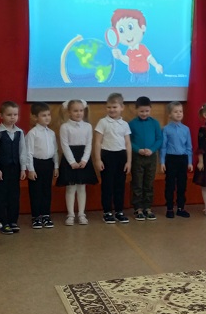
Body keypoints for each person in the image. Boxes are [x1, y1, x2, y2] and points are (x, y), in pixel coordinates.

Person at [0, 101, 28, 235]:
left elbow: (22, 151)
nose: (12, 117)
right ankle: (3, 222)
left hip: (15, 169)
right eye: (9, 114)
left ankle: (12, 221)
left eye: (15, 114)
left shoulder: (19, 132)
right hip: (1, 169)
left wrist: (23, 168)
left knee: (14, 195)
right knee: (0, 196)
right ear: (1, 115)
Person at [57, 100, 98, 226]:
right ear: (69, 112)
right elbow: (64, 145)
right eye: (75, 111)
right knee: (70, 188)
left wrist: (84, 160)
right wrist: (72, 162)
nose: (79, 113)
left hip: (83, 158)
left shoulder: (88, 126)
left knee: (81, 187)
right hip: (70, 158)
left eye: (81, 110)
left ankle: (81, 214)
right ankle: (70, 214)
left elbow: (89, 144)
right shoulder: (65, 127)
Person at [94, 93, 132, 224]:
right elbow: (98, 142)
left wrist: (129, 161)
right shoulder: (103, 122)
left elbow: (128, 143)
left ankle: (119, 211)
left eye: (114, 107)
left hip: (121, 156)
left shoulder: (124, 124)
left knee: (120, 185)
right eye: (109, 107)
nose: (111, 110)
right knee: (107, 185)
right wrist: (98, 159)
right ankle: (107, 212)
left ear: (122, 107)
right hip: (107, 156)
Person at [26, 102, 59, 229]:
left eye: (48, 115)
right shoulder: (32, 133)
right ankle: (36, 216)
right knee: (36, 192)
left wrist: (56, 166)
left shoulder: (51, 133)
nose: (47, 118)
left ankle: (46, 215)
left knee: (46, 191)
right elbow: (28, 152)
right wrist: (31, 169)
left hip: (48, 164)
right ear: (35, 117)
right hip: (36, 165)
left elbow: (55, 151)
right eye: (43, 115)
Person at [129, 96, 162, 221]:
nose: (144, 113)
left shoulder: (155, 123)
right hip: (137, 157)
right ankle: (138, 208)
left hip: (151, 157)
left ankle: (147, 207)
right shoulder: (132, 124)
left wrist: (152, 150)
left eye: (147, 111)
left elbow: (159, 139)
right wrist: (138, 150)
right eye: (141, 111)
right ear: (136, 110)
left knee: (149, 183)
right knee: (137, 182)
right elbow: (128, 141)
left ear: (150, 109)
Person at [110, 9, 163, 84]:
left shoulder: (142, 48)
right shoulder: (129, 51)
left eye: (130, 27)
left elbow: (149, 58)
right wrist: (120, 56)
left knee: (142, 88)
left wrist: (156, 65)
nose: (127, 34)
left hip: (143, 75)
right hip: (133, 75)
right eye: (121, 30)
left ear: (142, 28)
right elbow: (128, 61)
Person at [160, 101, 193, 219]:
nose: (179, 114)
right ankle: (169, 208)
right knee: (170, 184)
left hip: (182, 159)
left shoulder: (186, 129)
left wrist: (190, 162)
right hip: (171, 159)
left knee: (182, 185)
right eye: (175, 111)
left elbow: (189, 147)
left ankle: (180, 208)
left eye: (180, 111)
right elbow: (163, 147)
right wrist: (162, 162)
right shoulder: (166, 129)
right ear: (169, 114)